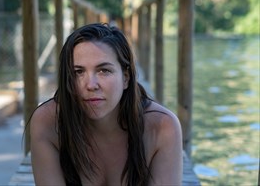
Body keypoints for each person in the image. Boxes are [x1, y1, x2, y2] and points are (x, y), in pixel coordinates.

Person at [30, 23, 182, 186]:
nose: (91, 85)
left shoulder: (162, 127)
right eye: (78, 72)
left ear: (126, 77)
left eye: (104, 71)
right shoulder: (47, 123)